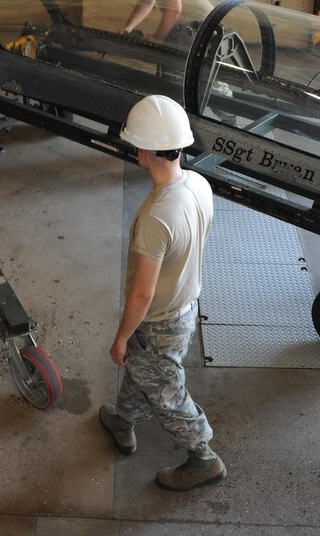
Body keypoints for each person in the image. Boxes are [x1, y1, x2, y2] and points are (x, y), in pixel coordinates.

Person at [99, 94, 225, 492]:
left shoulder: (156, 217)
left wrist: (120, 337)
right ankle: (123, 422)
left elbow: (141, 295)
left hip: (158, 320)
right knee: (147, 372)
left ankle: (203, 459)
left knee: (168, 393)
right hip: (185, 307)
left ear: (142, 151)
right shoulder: (200, 184)